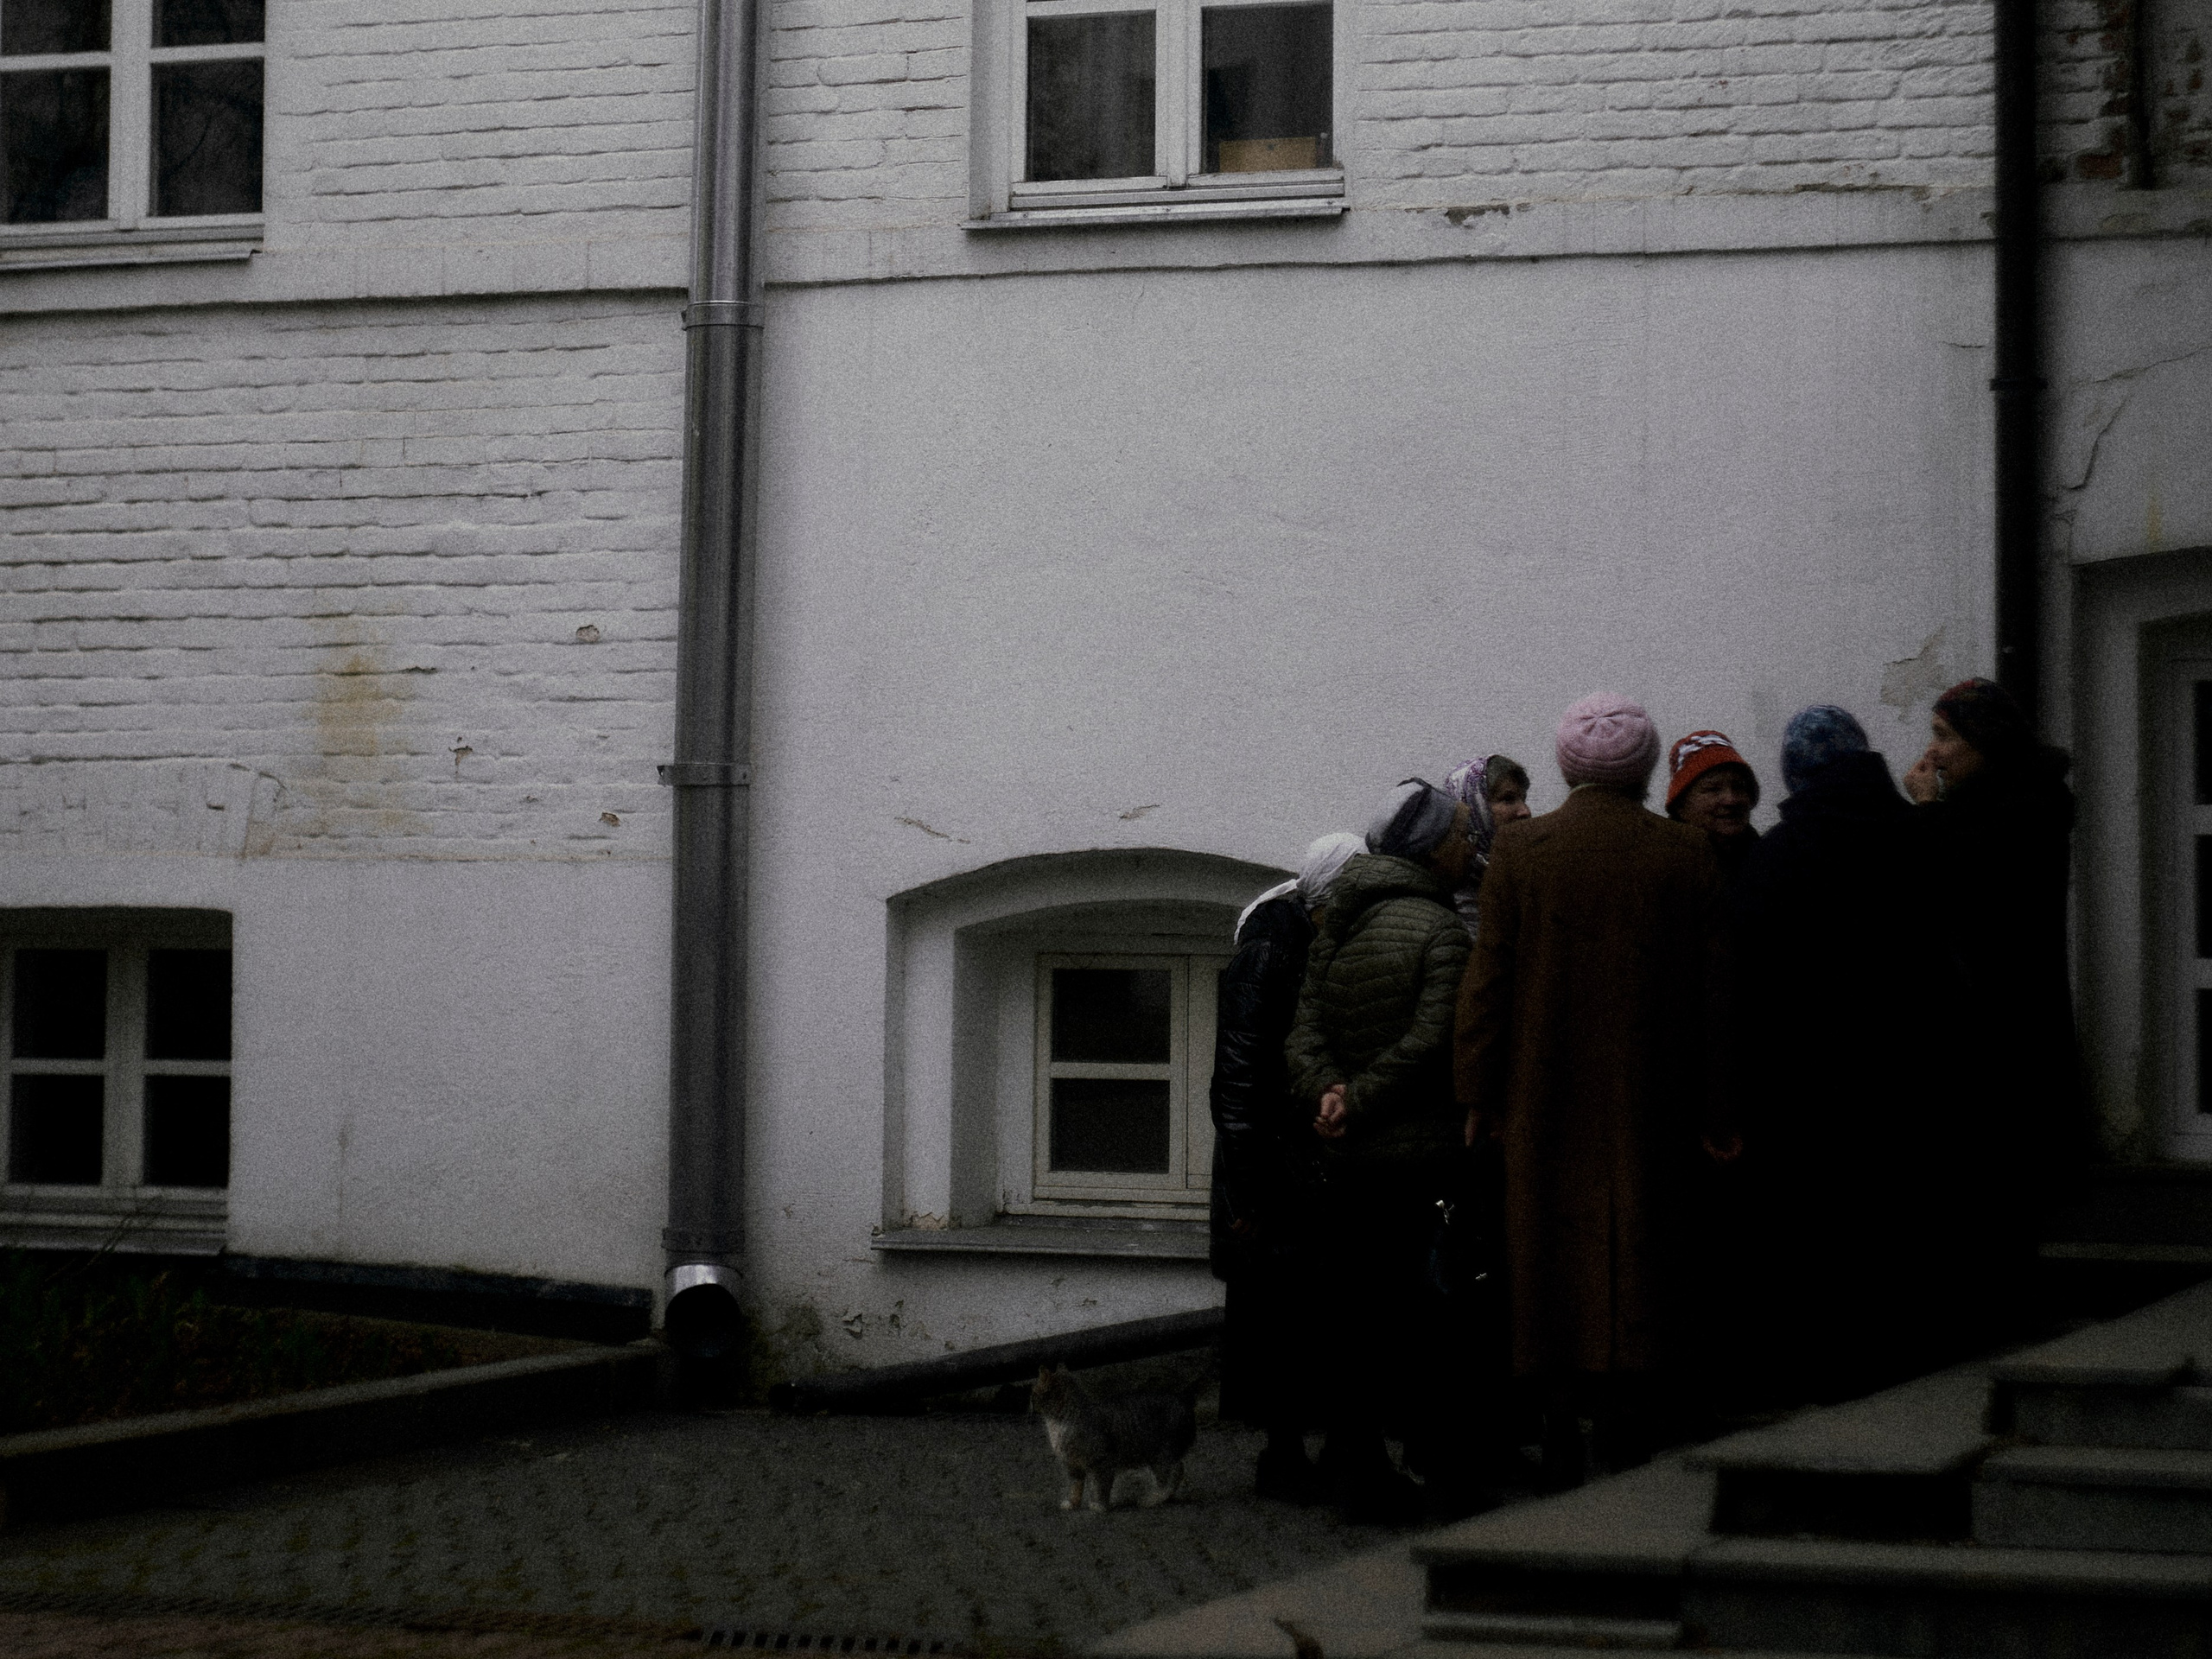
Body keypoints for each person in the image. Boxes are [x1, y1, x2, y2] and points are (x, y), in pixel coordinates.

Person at [1455, 694, 1736, 1488]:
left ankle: (1556, 1420)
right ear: (1646, 768)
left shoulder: (1524, 852)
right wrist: (1719, 1109)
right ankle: (1624, 1418)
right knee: (1640, 1243)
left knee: (1547, 1250)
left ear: (1568, 766)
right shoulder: (1684, 854)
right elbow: (1718, 997)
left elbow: (1489, 983)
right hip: (1654, 1089)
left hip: (1543, 1090)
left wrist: (1478, 1090)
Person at [1732, 705, 1958, 1400]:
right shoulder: (1916, 837)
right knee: (1898, 1217)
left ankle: (1821, 1367)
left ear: (1796, 773)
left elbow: (1751, 975)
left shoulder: (1778, 853)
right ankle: (1902, 1353)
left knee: (1817, 1226)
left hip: (1807, 1075)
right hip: (1907, 1065)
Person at [1287, 779, 1476, 1520]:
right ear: (1432, 851)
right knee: (1432, 1324)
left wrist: (1329, 1093)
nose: (1470, 846)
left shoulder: (1338, 923)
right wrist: (1356, 1098)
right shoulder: (1442, 931)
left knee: (1357, 1323)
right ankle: (1447, 1478)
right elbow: (1434, 1042)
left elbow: (1301, 1031)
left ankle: (1358, 1475)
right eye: (1462, 835)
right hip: (1420, 1161)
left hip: (1350, 1163)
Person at [1902, 677, 2090, 1340]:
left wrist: (1927, 811)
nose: (1935, 752)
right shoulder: (2011, 801)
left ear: (1986, 741)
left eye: (1946, 736)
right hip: (2002, 1019)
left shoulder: (2019, 811)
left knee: (1997, 1184)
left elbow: (1956, 891)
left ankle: (1997, 1320)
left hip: (2002, 1025)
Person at [1209, 830, 1365, 1501]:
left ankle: (1313, 1449)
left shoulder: (1307, 938)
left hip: (1297, 1157)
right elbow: (1238, 1078)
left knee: (1314, 1309)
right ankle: (1283, 1453)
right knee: (1280, 1314)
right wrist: (1247, 1195)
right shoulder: (1272, 948)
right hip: (1270, 1165)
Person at [1441, 753, 1535, 939]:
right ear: (1475, 806)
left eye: (1523, 799)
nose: (1525, 811)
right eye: (1508, 799)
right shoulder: (1449, 885)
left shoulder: (1528, 875)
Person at [1665, 729, 1761, 880]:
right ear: (1681, 804)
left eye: (1739, 786)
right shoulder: (1663, 869)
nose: (1730, 800)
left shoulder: (1773, 860)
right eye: (1713, 789)